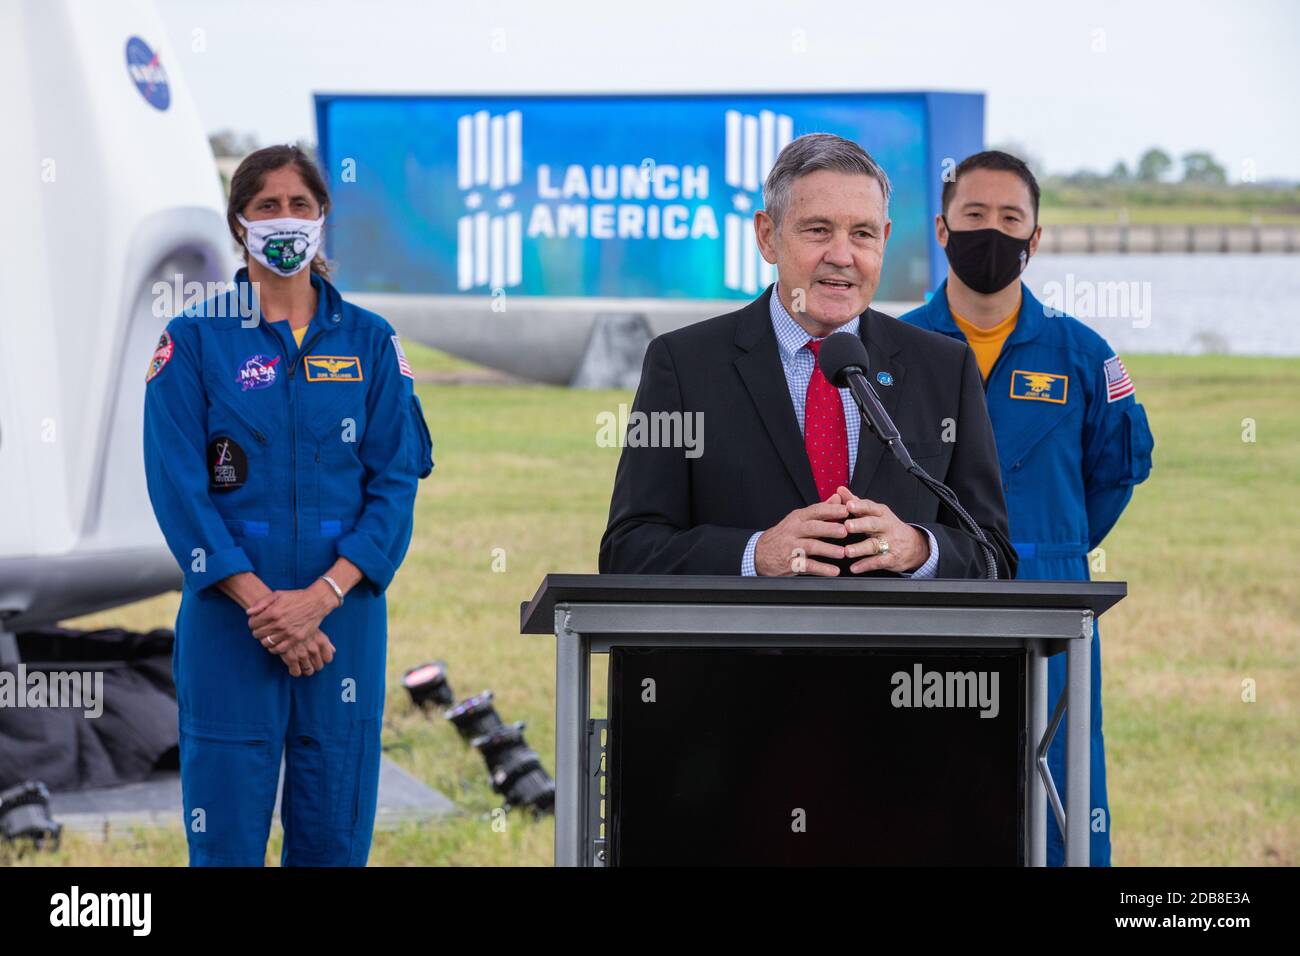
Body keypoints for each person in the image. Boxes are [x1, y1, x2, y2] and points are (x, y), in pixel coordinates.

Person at [143, 145, 434, 866]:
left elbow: (396, 480)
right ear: (238, 222)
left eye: (299, 205)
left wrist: (323, 597)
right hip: (229, 625)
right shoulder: (193, 339)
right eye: (266, 205)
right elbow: (179, 491)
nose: (284, 219)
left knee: (334, 835)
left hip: (344, 623)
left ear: (323, 218)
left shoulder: (370, 342)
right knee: (226, 843)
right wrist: (266, 608)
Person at [600, 133, 1014, 581]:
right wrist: (756, 554)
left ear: (885, 240)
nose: (842, 256)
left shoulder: (944, 368)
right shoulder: (682, 364)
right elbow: (628, 551)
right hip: (742, 648)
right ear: (767, 236)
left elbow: (994, 557)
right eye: (818, 230)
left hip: (894, 651)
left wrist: (918, 549)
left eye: (862, 233)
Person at [900, 150, 1154, 865]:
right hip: (927, 595)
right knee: (922, 779)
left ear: (1035, 239)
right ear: (943, 230)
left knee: (1062, 785)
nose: (993, 232)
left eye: (1011, 219)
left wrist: (1050, 544)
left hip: (1051, 595)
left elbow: (1113, 475)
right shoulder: (892, 346)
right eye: (974, 216)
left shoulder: (1083, 355)